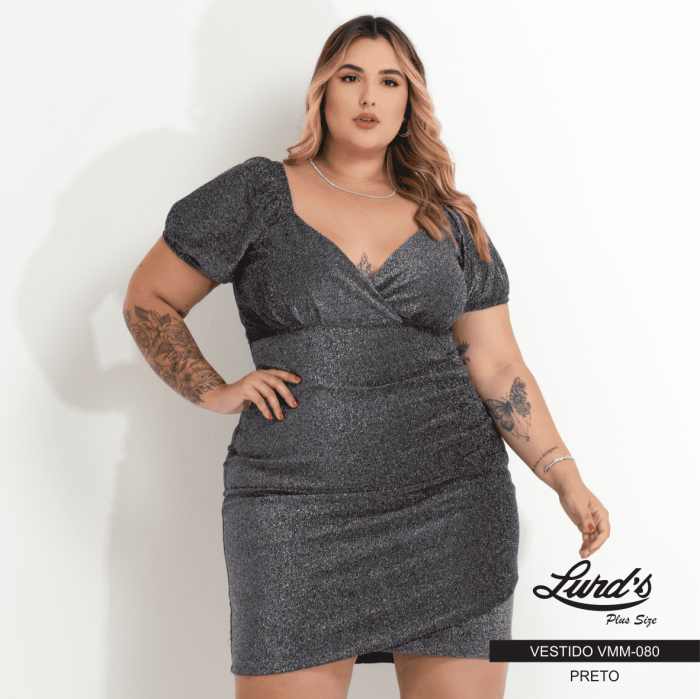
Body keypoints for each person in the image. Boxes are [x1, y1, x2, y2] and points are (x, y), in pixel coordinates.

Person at [123, 14, 610, 699]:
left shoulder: (450, 218)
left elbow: (499, 366)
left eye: (390, 81)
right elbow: (149, 298)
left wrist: (564, 476)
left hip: (453, 505)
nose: (369, 96)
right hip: (293, 510)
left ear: (411, 101)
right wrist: (212, 388)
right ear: (322, 90)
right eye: (351, 77)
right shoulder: (257, 192)